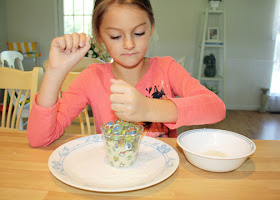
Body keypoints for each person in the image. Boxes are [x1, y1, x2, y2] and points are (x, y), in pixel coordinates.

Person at [27, 0, 226, 147]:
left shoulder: (167, 68)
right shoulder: (91, 78)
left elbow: (216, 108)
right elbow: (39, 138)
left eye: (138, 33)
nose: (129, 44)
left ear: (151, 28)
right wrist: (55, 72)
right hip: (115, 177)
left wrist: (148, 108)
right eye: (115, 36)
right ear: (100, 37)